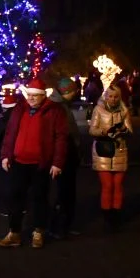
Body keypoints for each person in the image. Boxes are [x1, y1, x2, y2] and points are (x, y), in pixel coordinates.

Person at [0, 77, 69, 249]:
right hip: (19, 162)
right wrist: (6, 155)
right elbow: (10, 133)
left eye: (36, 95)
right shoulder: (20, 108)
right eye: (30, 95)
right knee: (15, 198)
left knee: (39, 198)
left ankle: (38, 231)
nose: (31, 98)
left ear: (43, 96)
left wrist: (57, 162)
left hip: (40, 163)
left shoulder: (54, 111)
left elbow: (61, 138)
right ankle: (14, 233)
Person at [88, 84, 132, 230]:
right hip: (103, 152)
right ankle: (107, 218)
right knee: (107, 185)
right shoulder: (98, 110)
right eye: (110, 96)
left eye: (116, 97)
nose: (113, 99)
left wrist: (123, 129)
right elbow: (92, 130)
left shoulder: (124, 111)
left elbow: (130, 130)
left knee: (118, 185)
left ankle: (116, 216)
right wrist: (104, 131)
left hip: (120, 150)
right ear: (105, 96)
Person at [49, 82, 83, 239]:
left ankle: (64, 225)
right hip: (64, 155)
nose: (74, 95)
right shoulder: (58, 107)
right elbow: (64, 134)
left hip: (67, 154)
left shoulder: (61, 105)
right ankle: (59, 227)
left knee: (66, 192)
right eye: (73, 92)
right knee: (64, 192)